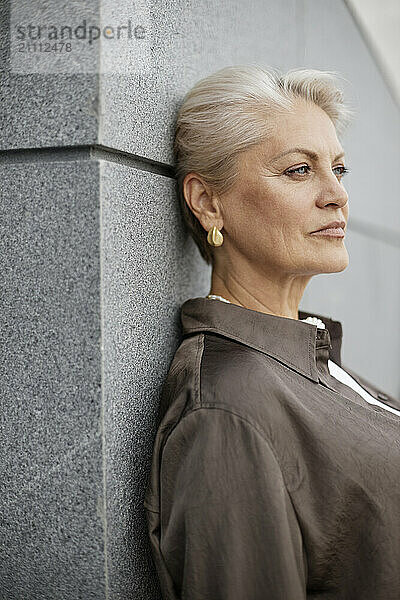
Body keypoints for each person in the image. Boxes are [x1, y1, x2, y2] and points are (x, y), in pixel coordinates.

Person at [143, 65, 400, 600]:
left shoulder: (306, 355)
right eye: (299, 171)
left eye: (338, 169)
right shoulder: (228, 408)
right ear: (210, 202)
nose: (337, 195)